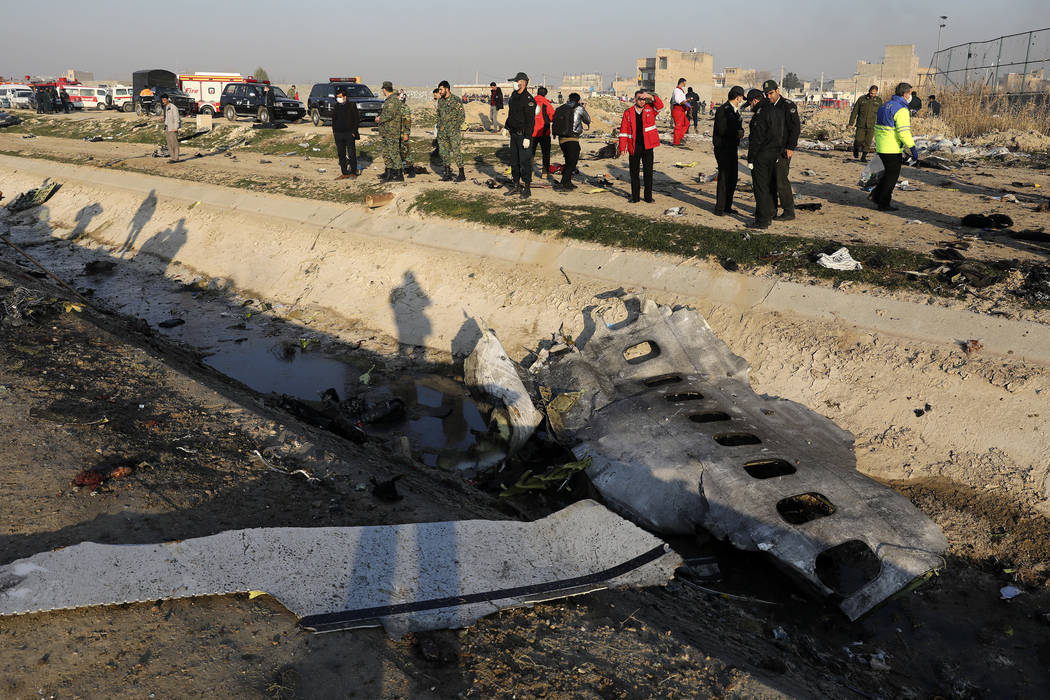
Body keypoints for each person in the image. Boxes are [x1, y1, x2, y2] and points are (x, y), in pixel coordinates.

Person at [872, 82, 918, 212]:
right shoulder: (901, 110)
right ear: (904, 94)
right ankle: (884, 203)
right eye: (910, 93)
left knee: (885, 175)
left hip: (881, 146)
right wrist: (913, 148)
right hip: (892, 148)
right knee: (891, 178)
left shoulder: (885, 105)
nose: (910, 96)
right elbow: (903, 132)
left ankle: (875, 197)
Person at [762, 79, 800, 221]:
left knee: (781, 181)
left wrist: (790, 147)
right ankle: (771, 210)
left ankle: (789, 211)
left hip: (783, 149)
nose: (769, 96)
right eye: (767, 94)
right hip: (769, 149)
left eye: (771, 93)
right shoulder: (767, 105)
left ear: (777, 91)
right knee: (770, 180)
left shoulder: (787, 106)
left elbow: (795, 128)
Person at [617, 89, 663, 203]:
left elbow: (660, 106)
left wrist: (651, 97)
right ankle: (635, 197)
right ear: (635, 99)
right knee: (634, 173)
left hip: (648, 146)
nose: (642, 101)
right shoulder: (628, 112)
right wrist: (622, 147)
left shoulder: (650, 109)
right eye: (640, 99)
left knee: (648, 172)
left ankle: (648, 197)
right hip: (634, 147)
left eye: (644, 99)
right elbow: (623, 131)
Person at [712, 85, 746, 216]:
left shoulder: (735, 111)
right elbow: (722, 129)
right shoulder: (723, 110)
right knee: (724, 178)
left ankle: (728, 206)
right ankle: (719, 208)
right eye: (741, 98)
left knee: (733, 178)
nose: (742, 100)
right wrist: (737, 133)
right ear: (738, 97)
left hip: (732, 147)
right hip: (723, 148)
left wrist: (739, 131)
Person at [745, 88, 776, 228]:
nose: (751, 106)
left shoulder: (760, 113)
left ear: (755, 100)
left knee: (760, 187)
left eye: (751, 103)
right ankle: (767, 215)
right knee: (768, 186)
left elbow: (756, 139)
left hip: (761, 155)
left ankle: (762, 221)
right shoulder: (772, 109)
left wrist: (750, 158)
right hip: (772, 153)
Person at [503, 71, 537, 198]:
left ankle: (527, 188)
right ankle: (516, 185)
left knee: (525, 162)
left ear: (523, 83)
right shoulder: (513, 95)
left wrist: (528, 137)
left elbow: (531, 120)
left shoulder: (529, 100)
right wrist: (506, 127)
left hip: (523, 136)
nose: (514, 84)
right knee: (514, 162)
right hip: (514, 134)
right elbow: (511, 114)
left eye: (516, 81)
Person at [552, 92, 590, 191]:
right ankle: (562, 183)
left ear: (569, 99)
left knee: (568, 161)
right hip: (572, 138)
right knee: (572, 162)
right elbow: (588, 120)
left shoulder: (561, 108)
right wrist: (583, 108)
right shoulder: (579, 108)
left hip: (561, 138)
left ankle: (568, 182)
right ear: (578, 100)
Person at [436, 80, 466, 182]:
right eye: (439, 89)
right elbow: (439, 116)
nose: (439, 91)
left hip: (453, 132)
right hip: (442, 132)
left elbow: (462, 116)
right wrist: (439, 127)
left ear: (447, 89)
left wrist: (455, 127)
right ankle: (447, 173)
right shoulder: (440, 101)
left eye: (441, 89)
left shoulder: (456, 100)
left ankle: (461, 174)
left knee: (456, 152)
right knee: (444, 152)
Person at [376, 81, 404, 182]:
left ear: (384, 89)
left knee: (393, 153)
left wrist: (380, 119)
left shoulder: (392, 101)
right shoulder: (389, 100)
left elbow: (389, 115)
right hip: (386, 132)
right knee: (387, 153)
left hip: (392, 132)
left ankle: (399, 174)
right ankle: (389, 174)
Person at [331, 87, 360, 180]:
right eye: (337, 97)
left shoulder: (351, 105)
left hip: (349, 133)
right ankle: (344, 172)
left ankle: (353, 172)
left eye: (340, 96)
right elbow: (334, 120)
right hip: (338, 134)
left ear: (345, 96)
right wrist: (334, 132)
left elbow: (356, 119)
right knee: (341, 154)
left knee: (351, 153)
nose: (338, 98)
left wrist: (353, 132)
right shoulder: (336, 106)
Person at [848, 85, 882, 162]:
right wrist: (851, 123)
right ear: (869, 91)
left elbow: (881, 113)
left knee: (868, 142)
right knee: (858, 140)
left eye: (874, 93)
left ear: (876, 93)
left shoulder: (879, 101)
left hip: (872, 125)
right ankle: (856, 149)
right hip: (861, 124)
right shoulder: (862, 99)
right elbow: (855, 111)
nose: (872, 95)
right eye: (871, 93)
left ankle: (864, 156)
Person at [531, 86, 556, 180]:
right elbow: (552, 117)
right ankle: (545, 173)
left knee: (531, 153)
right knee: (545, 153)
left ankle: (530, 172)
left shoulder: (531, 102)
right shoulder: (547, 103)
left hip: (532, 132)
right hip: (543, 132)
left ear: (537, 93)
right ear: (545, 94)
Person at [160, 94, 181, 163]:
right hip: (167, 127)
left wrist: (176, 127)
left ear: (168, 99)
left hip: (172, 127)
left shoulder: (173, 107)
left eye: (164, 100)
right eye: (162, 100)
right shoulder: (165, 107)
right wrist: (164, 118)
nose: (163, 101)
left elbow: (176, 117)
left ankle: (176, 158)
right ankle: (172, 157)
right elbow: (167, 116)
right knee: (169, 144)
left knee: (174, 143)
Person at [397, 89, 414, 177]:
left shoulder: (405, 108)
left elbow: (407, 121)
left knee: (406, 152)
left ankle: (411, 170)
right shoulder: (396, 107)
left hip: (403, 133)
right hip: (396, 133)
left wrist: (406, 133)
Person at [670, 77, 689, 145]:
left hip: (682, 110)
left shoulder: (681, 91)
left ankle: (680, 137)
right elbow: (678, 100)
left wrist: (688, 104)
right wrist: (686, 102)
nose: (685, 83)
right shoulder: (677, 90)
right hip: (678, 109)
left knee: (686, 123)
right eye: (685, 82)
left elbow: (682, 100)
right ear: (683, 82)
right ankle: (676, 142)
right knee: (678, 126)